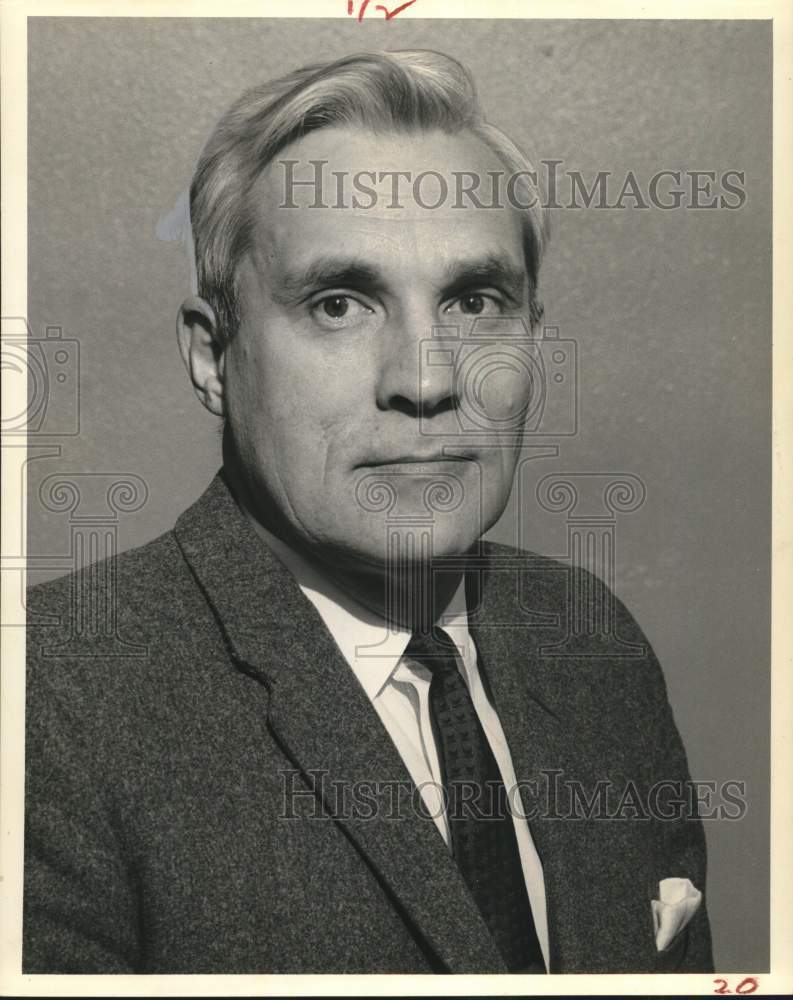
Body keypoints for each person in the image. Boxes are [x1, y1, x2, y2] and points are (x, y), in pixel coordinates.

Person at [23, 49, 713, 974]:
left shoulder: (594, 643)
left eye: (474, 301)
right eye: (339, 303)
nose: (425, 380)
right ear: (210, 356)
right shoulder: (46, 699)